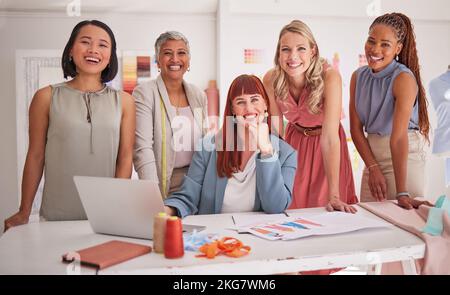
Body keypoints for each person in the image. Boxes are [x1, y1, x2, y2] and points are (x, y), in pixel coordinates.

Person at [4, 20, 135, 230]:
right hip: (56, 216)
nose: (93, 50)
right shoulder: (46, 97)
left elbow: (125, 159)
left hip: (104, 217)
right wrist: (24, 211)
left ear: (110, 56)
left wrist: (115, 209)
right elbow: (36, 155)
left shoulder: (125, 102)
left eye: (103, 45)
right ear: (71, 50)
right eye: (85, 42)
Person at [163, 74, 297, 217]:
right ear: (233, 109)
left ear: (265, 105)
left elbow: (275, 206)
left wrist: (266, 151)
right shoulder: (207, 148)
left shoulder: (286, 154)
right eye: (240, 102)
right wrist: (166, 210)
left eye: (254, 99)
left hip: (257, 236)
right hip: (216, 234)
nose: (249, 108)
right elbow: (188, 197)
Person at [263, 20, 357, 213]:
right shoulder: (271, 79)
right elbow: (275, 132)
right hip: (294, 143)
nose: (293, 56)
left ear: (313, 51)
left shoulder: (330, 77)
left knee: (327, 209)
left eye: (301, 49)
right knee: (291, 208)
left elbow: (330, 138)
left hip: (327, 144)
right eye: (286, 49)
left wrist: (334, 196)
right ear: (278, 53)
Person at [349, 12, 433, 209]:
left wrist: (402, 191)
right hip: (373, 158)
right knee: (371, 222)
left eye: (385, 44)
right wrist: (372, 167)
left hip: (404, 159)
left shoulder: (403, 79)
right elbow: (355, 129)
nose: (375, 49)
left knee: (404, 225)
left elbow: (398, 137)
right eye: (371, 41)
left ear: (398, 48)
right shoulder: (358, 77)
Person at [133, 31, 208, 197]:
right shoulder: (144, 93)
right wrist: (153, 194)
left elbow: (205, 142)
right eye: (167, 53)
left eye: (181, 53)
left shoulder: (198, 95)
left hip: (198, 183)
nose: (175, 59)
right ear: (158, 61)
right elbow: (142, 149)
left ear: (188, 61)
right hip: (164, 184)